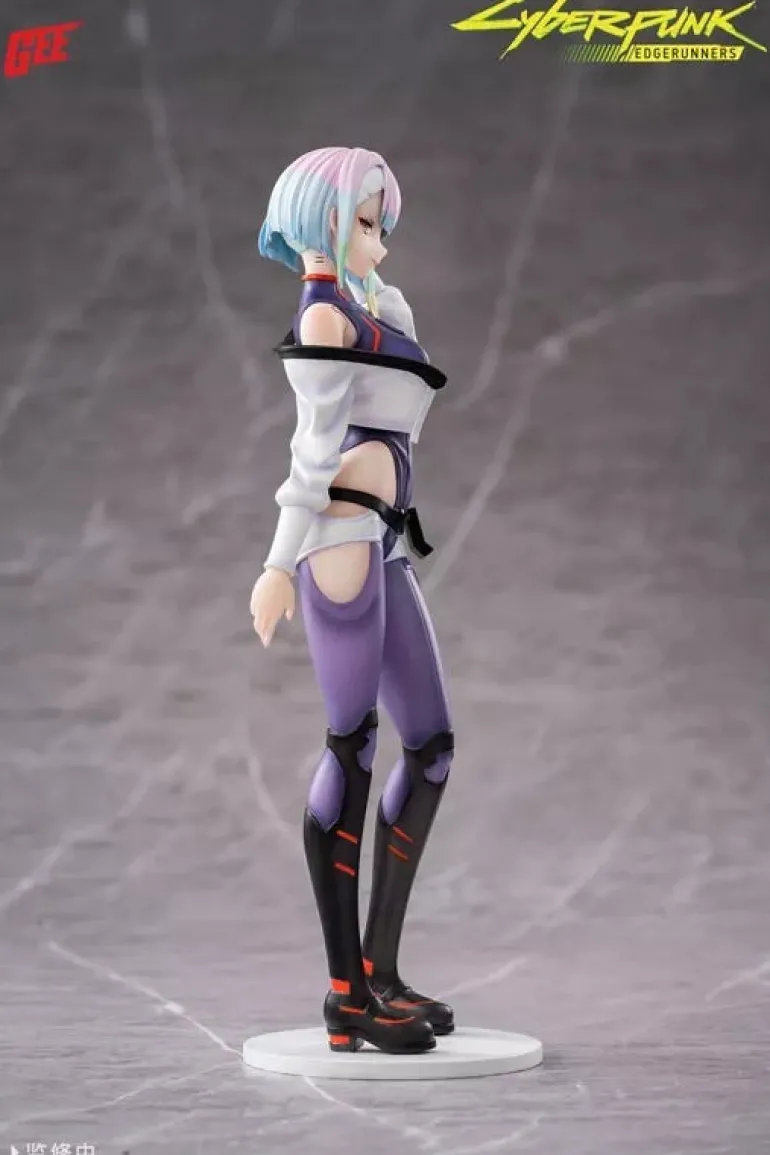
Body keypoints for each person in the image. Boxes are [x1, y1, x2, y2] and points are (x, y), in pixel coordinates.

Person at [250, 146, 455, 1055]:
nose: (380, 240)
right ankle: (347, 994)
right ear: (327, 223)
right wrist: (275, 564)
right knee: (354, 740)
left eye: (382, 223)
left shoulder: (373, 306)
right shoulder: (326, 316)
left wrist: (383, 294)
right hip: (337, 540)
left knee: (431, 743)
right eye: (366, 222)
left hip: (385, 537)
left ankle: (382, 968)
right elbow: (311, 451)